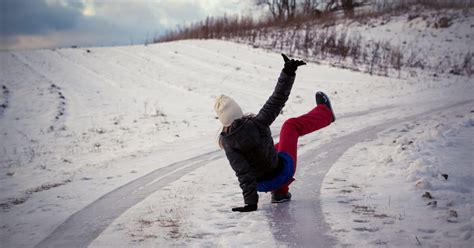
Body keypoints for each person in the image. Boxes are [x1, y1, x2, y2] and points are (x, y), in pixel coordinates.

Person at [214, 54, 335, 212]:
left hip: (262, 183)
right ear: (238, 112)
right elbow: (277, 99)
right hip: (281, 172)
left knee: (274, 147)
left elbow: (243, 173)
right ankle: (325, 113)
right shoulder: (257, 123)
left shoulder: (228, 142)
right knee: (290, 126)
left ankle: (280, 194)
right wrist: (288, 71)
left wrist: (250, 203)